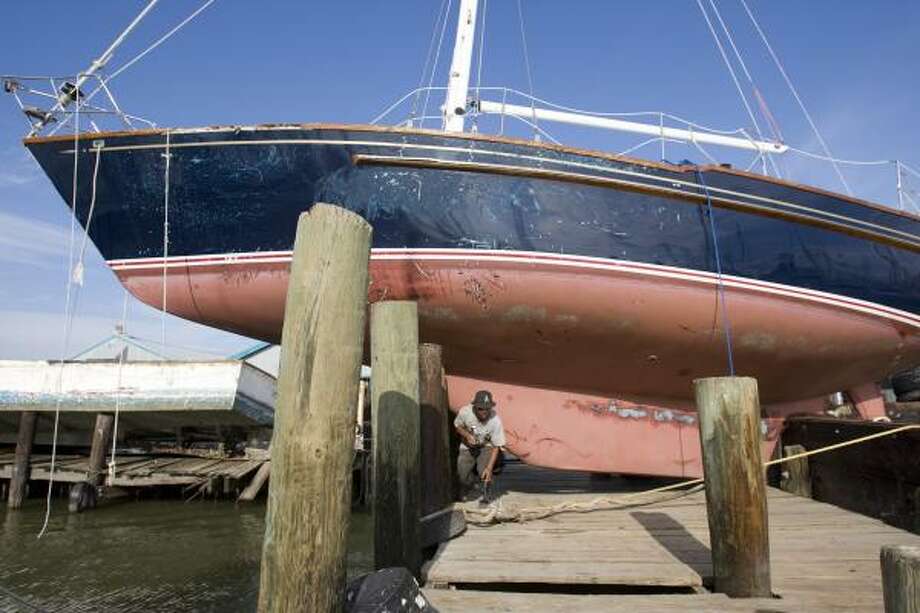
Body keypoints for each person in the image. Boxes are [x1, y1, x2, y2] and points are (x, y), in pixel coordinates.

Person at [454, 389, 506, 498]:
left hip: (486, 446)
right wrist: (467, 436)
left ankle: (486, 491)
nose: (484, 411)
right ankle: (471, 482)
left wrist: (489, 468)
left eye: (487, 409)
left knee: (484, 472)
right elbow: (457, 426)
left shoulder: (495, 420)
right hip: (467, 447)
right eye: (480, 408)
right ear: (474, 407)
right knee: (462, 477)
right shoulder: (465, 412)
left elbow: (497, 446)